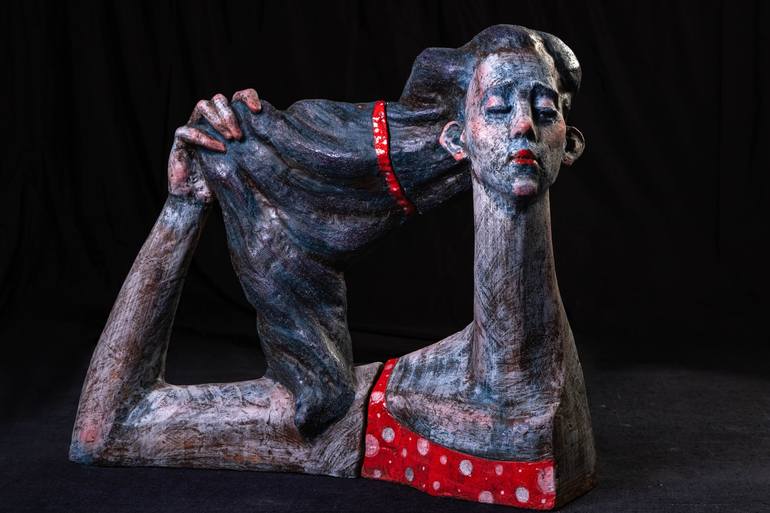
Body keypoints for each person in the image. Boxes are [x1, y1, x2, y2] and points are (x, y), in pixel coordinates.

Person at [71, 26, 584, 469]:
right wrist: (183, 207)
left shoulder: (523, 385)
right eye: (496, 108)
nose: (523, 124)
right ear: (458, 139)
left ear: (571, 143)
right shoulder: (367, 410)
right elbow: (104, 430)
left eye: (544, 110)